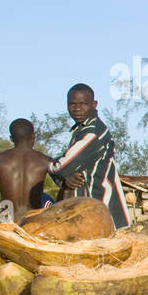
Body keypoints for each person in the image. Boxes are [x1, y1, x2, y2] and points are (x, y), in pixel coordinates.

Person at [49, 84, 131, 229]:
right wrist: (66, 180)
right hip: (88, 213)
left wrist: (46, 162)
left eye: (83, 104)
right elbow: (69, 169)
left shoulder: (93, 133)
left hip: (101, 211)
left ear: (94, 105)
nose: (77, 109)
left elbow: (61, 167)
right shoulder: (82, 130)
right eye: (72, 104)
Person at [0, 119, 54, 223]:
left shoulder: (0, 159)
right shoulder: (45, 160)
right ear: (33, 136)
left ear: (11, 138)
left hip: (7, 221)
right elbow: (65, 182)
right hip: (33, 221)